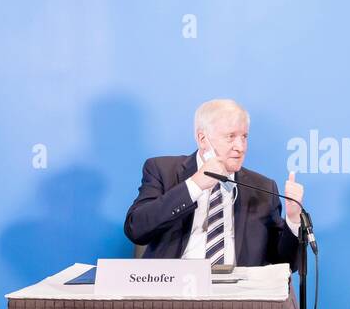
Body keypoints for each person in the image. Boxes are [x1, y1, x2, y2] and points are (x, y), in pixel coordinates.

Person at [125, 98, 301, 267]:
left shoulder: (262, 188)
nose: (240, 147)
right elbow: (136, 229)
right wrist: (195, 185)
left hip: (239, 293)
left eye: (244, 137)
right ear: (203, 139)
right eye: (230, 137)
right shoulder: (163, 171)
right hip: (175, 288)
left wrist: (292, 219)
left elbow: (284, 262)